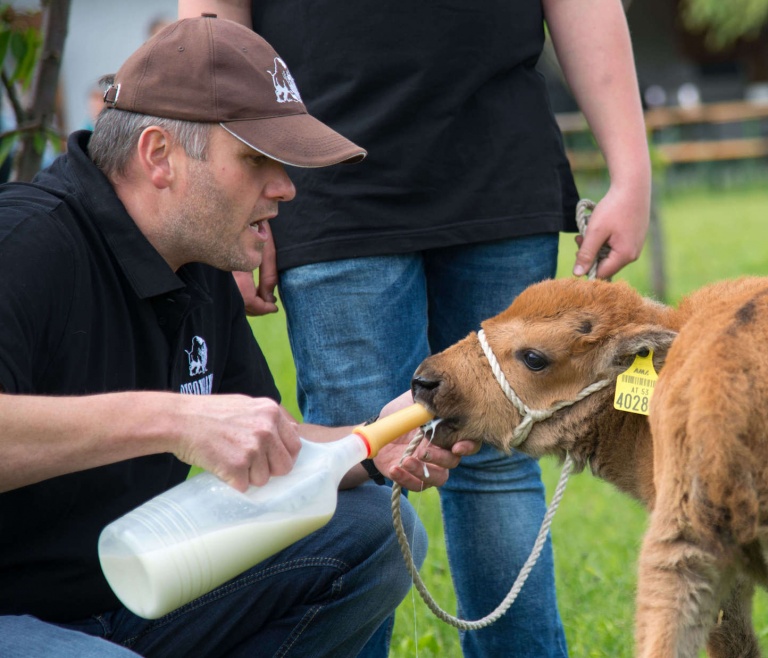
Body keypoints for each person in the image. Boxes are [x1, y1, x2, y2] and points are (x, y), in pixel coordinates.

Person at [177, 2, 653, 656]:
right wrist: (224, 194)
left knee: (501, 460)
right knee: (349, 459)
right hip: (326, 183)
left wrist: (632, 171)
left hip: (500, 177)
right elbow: (211, 24)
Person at [0, 16, 473, 657]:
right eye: (257, 161)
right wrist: (172, 419)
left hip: (132, 598)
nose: (285, 189)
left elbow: (264, 436)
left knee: (375, 535)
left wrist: (372, 445)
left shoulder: (196, 265)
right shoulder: (24, 244)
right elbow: (190, 423)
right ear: (159, 156)